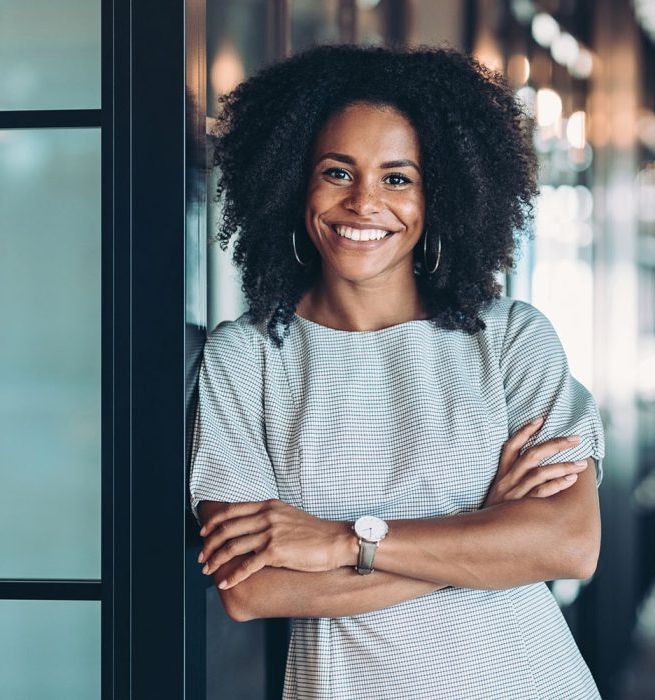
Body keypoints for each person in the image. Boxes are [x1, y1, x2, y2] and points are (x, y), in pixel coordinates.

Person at [188, 44, 606, 699]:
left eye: (397, 178)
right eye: (336, 172)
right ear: (294, 181)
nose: (363, 203)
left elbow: (570, 543)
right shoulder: (246, 361)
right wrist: (487, 533)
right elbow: (253, 589)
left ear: (438, 194)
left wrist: (341, 543)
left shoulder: (511, 340)